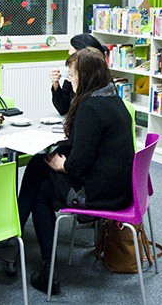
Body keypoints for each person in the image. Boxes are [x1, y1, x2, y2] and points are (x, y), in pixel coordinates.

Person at [21, 48, 134, 295]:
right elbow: (92, 148)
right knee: (39, 164)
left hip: (99, 194)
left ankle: (44, 264)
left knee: (40, 189)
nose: (69, 80)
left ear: (85, 76)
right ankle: (19, 226)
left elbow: (79, 165)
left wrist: (63, 165)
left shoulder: (90, 108)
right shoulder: (112, 99)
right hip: (120, 189)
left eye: (72, 75)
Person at [48, 33, 106, 115]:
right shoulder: (74, 75)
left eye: (72, 56)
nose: (69, 58)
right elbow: (63, 108)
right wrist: (55, 84)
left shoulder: (102, 80)